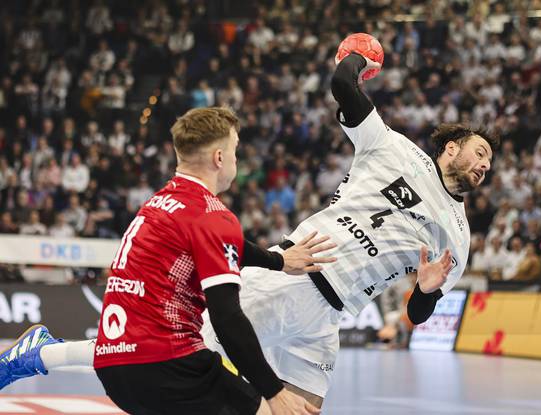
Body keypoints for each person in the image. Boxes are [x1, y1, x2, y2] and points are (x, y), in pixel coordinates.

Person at [1, 52, 498, 408]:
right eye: (479, 153)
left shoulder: (456, 236)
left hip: (329, 318)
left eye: (490, 164)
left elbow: (417, 311)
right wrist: (357, 56)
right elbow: (344, 88)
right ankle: (42, 352)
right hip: (293, 277)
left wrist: (428, 292)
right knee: (155, 353)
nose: (484, 166)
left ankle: (42, 350)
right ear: (450, 147)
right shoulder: (393, 148)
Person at [1, 107, 332, 415]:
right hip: (169, 369)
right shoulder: (214, 217)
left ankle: (42, 353)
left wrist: (277, 260)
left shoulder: (160, 204)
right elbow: (228, 319)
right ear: (219, 158)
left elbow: (228, 244)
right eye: (234, 150)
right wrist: (274, 391)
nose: (236, 158)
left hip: (115, 373)